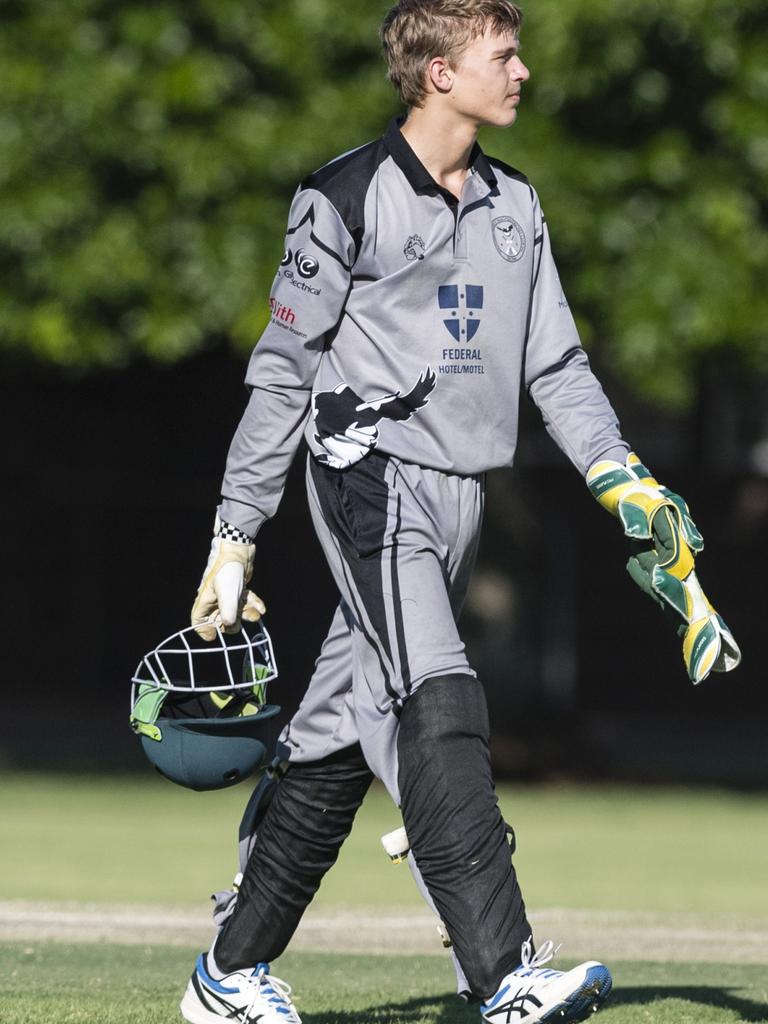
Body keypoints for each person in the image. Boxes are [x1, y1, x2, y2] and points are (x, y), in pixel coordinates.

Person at [178, 1, 721, 1021]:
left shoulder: (517, 206)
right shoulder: (341, 198)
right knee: (441, 693)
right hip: (366, 480)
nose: (522, 73)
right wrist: (235, 532)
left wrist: (628, 483)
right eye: (503, 56)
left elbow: (556, 368)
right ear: (439, 74)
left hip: (461, 497)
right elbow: (283, 376)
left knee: (339, 741)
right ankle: (506, 974)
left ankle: (227, 975)